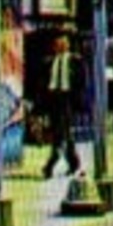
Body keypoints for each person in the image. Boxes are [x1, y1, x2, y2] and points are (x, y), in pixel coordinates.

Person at [40, 32, 83, 178]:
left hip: (67, 99)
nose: (60, 46)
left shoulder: (75, 61)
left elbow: (81, 82)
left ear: (68, 45)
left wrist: (78, 101)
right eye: (58, 44)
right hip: (54, 98)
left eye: (63, 44)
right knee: (64, 134)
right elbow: (43, 83)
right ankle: (74, 163)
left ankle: (50, 165)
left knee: (61, 133)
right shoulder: (49, 62)